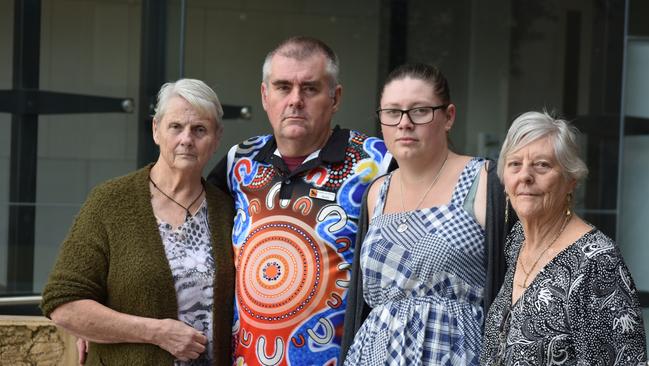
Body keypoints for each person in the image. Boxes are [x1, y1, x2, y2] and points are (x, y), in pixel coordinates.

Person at [207, 36, 392, 365]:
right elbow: (186, 243)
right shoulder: (240, 161)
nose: (295, 100)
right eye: (282, 87)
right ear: (265, 96)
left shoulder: (378, 163)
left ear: (335, 98)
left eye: (310, 89)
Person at [40, 79, 235, 365]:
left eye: (200, 130)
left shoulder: (227, 209)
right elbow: (63, 304)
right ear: (156, 130)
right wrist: (156, 332)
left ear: (217, 138)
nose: (187, 139)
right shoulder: (111, 202)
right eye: (176, 126)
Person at [340, 63, 512, 365]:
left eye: (419, 111)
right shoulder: (376, 193)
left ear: (448, 117)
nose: (404, 123)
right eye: (392, 112)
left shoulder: (486, 181)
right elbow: (361, 308)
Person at [480, 111, 647, 365]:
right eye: (515, 164)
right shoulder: (517, 241)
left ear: (571, 180)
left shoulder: (597, 261)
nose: (525, 175)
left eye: (542, 165)